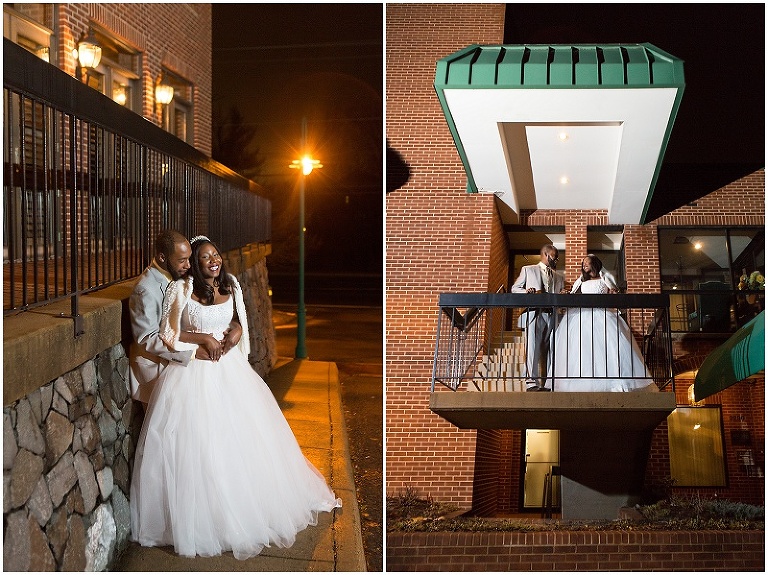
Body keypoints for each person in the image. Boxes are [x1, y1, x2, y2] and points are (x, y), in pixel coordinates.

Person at [130, 235, 341, 560]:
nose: (211, 261)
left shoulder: (229, 284)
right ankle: (202, 517)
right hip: (192, 369)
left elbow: (235, 319)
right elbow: (164, 334)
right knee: (196, 445)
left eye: (213, 255)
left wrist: (237, 330)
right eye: (198, 259)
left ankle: (248, 503)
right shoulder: (178, 288)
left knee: (241, 439)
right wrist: (201, 339)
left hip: (228, 369)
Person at [550, 254, 657, 392]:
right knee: (584, 348)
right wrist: (566, 294)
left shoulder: (605, 278)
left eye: (587, 263)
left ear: (594, 264)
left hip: (604, 315)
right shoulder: (581, 280)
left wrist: (613, 293)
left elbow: (614, 293)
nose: (584, 266)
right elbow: (573, 294)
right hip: (584, 316)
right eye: (583, 264)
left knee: (610, 347)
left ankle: (614, 381)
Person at [128, 230, 199, 404]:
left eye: (188, 259)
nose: (188, 265)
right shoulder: (145, 289)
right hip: (155, 371)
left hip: (179, 368)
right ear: (162, 257)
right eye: (182, 260)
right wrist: (190, 353)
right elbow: (147, 338)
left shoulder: (177, 276)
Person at [510, 244, 565, 391]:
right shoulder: (528, 270)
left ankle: (550, 383)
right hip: (534, 313)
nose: (557, 259)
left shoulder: (559, 277)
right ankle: (530, 382)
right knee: (532, 348)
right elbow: (515, 289)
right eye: (555, 256)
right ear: (546, 254)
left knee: (553, 349)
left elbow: (559, 295)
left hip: (553, 315)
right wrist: (527, 292)